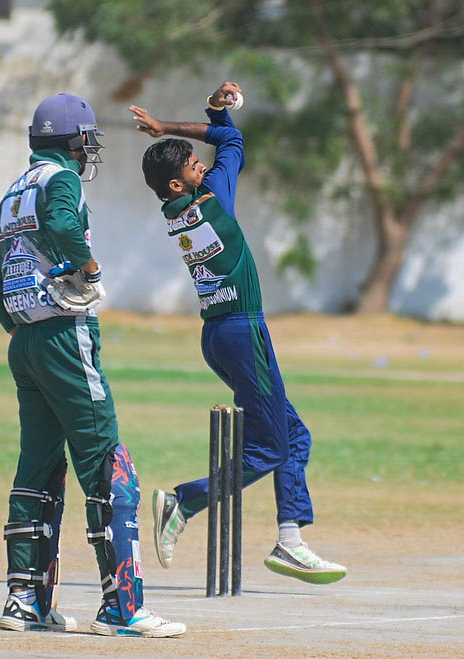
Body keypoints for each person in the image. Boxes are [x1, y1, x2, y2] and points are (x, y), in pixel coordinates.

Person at [0, 92, 186, 637]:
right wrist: (88, 266)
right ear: (73, 142)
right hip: (65, 336)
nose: (88, 151)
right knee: (107, 462)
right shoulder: (61, 180)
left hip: (25, 343)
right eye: (86, 141)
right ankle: (122, 607)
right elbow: (61, 223)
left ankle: (24, 601)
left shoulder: (13, 193)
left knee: (39, 468)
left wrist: (21, 324)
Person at [129, 82, 347, 585]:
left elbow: (226, 144)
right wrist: (200, 117)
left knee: (292, 436)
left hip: (218, 334)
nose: (201, 167)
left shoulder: (182, 208)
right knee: (272, 447)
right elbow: (231, 141)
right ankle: (185, 501)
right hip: (243, 332)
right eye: (193, 166)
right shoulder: (217, 201)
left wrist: (203, 114)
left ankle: (291, 540)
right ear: (179, 184)